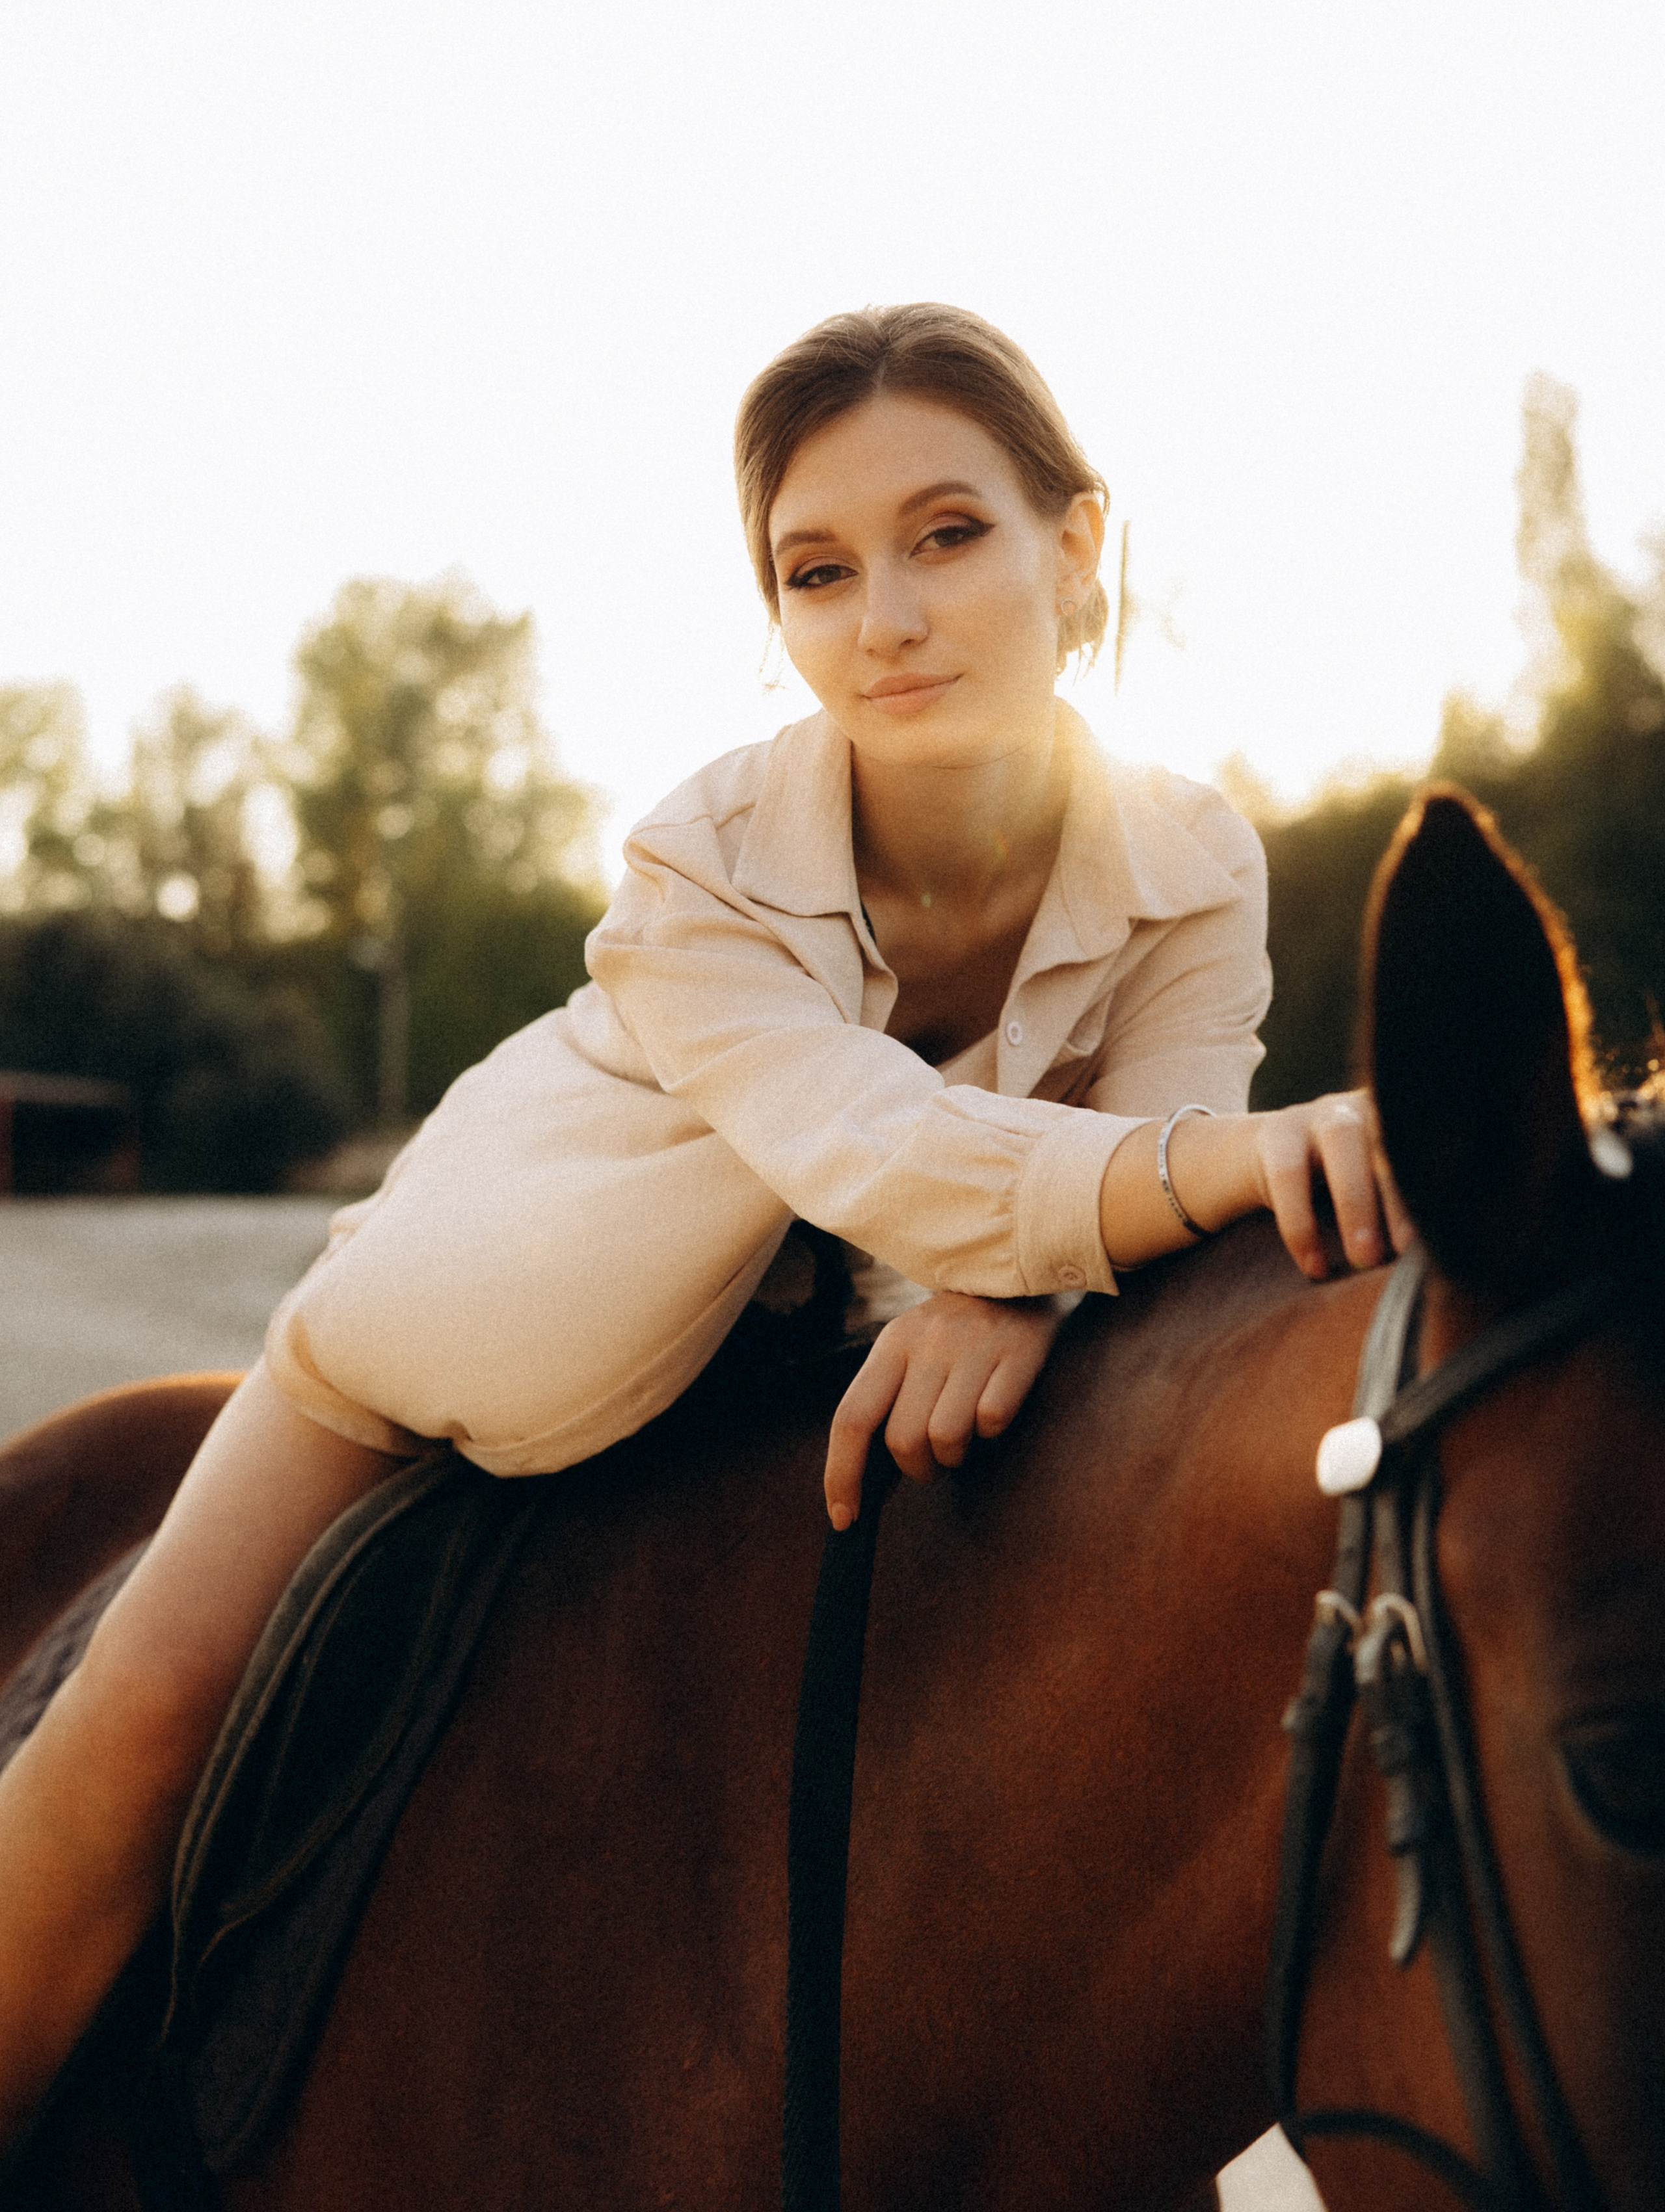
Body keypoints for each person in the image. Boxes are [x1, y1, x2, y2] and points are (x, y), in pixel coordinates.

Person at [0, 304, 1405, 2147]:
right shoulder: (696, 869)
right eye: (817, 572)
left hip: (819, 1353)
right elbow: (885, 1149)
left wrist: (1027, 1302)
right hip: (466, 1353)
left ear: (1078, 546)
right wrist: (1158, 1198)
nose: (884, 619)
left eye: (949, 535)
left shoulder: (1192, 858)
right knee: (145, 1722)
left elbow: (1154, 1131)